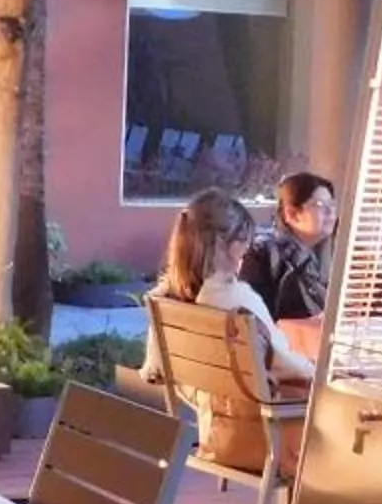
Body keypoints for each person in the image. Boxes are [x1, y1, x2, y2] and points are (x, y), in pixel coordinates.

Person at [142, 186, 314, 474]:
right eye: (245, 242)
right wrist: (318, 370)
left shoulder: (166, 302)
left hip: (216, 435)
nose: (247, 250)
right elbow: (287, 366)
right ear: (228, 244)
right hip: (270, 442)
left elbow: (155, 372)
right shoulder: (237, 303)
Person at [240, 171, 337, 358]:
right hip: (282, 358)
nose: (330, 212)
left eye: (332, 204)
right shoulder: (270, 255)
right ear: (292, 214)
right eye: (320, 205)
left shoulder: (322, 253)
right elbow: (259, 323)